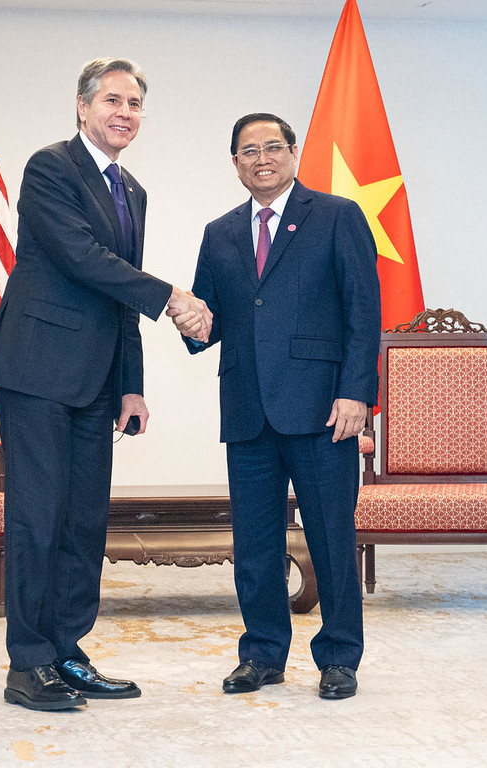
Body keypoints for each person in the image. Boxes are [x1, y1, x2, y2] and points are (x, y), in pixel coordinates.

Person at [0, 57, 211, 712]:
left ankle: (67, 652)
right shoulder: (50, 168)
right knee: (37, 519)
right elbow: (83, 258)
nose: (124, 113)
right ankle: (28, 664)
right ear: (82, 107)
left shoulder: (131, 190)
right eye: (112, 100)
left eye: (134, 103)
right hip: (38, 370)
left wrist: (130, 384)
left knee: (83, 522)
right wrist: (173, 297)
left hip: (95, 380)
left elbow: (118, 293)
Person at [168, 113, 381, 700]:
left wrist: (357, 392)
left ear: (293, 152)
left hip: (324, 409)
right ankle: (262, 654)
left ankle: (339, 657)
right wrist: (190, 321)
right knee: (255, 543)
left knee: (331, 537)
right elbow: (210, 319)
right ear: (234, 163)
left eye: (272, 147)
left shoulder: (336, 215)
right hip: (247, 407)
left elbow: (363, 311)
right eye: (248, 151)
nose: (261, 158)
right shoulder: (220, 232)